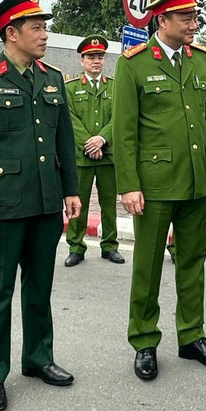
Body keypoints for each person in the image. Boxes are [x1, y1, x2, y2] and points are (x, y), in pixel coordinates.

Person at [0, 0, 80, 411]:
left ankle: (38, 358)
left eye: (45, 26)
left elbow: (64, 138)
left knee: (39, 286)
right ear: (12, 32)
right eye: (36, 26)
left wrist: (70, 190)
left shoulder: (51, 79)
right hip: (3, 207)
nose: (45, 33)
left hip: (46, 202)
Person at [114, 0, 206, 382]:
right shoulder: (133, 63)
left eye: (195, 16)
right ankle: (144, 341)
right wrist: (128, 184)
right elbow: (125, 130)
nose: (193, 24)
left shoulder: (200, 60)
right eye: (185, 17)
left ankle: (192, 335)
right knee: (147, 265)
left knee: (193, 261)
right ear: (162, 20)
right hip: (155, 183)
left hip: (197, 181)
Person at [64, 34, 123, 266]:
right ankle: (76, 247)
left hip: (108, 155)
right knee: (79, 203)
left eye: (99, 56)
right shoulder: (70, 88)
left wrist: (102, 139)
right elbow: (69, 119)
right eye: (91, 57)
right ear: (82, 60)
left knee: (109, 204)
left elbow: (119, 116)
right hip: (81, 157)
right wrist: (89, 142)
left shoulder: (115, 86)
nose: (96, 61)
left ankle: (110, 245)